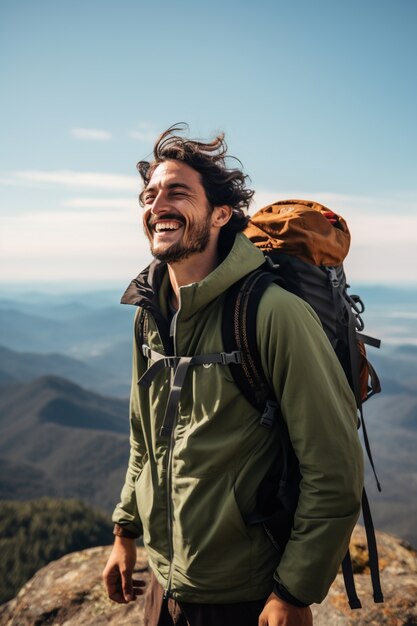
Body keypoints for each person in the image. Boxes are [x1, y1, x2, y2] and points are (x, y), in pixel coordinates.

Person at [103, 124, 364, 626]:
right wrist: (124, 533)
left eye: (178, 192)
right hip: (165, 585)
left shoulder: (271, 313)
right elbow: (146, 440)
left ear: (221, 214)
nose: (158, 204)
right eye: (150, 194)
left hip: (247, 595)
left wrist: (294, 592)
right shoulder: (149, 313)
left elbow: (333, 466)